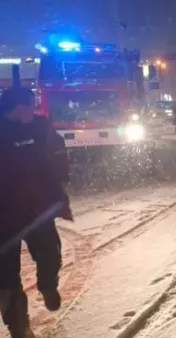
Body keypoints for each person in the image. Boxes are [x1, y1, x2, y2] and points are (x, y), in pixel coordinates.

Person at [0, 87, 72, 338]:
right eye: (29, 106)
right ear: (15, 108)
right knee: (6, 280)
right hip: (4, 217)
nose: (34, 110)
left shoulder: (40, 126)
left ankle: (48, 285)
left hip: (36, 210)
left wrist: (59, 182)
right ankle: (19, 329)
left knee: (50, 253)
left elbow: (58, 152)